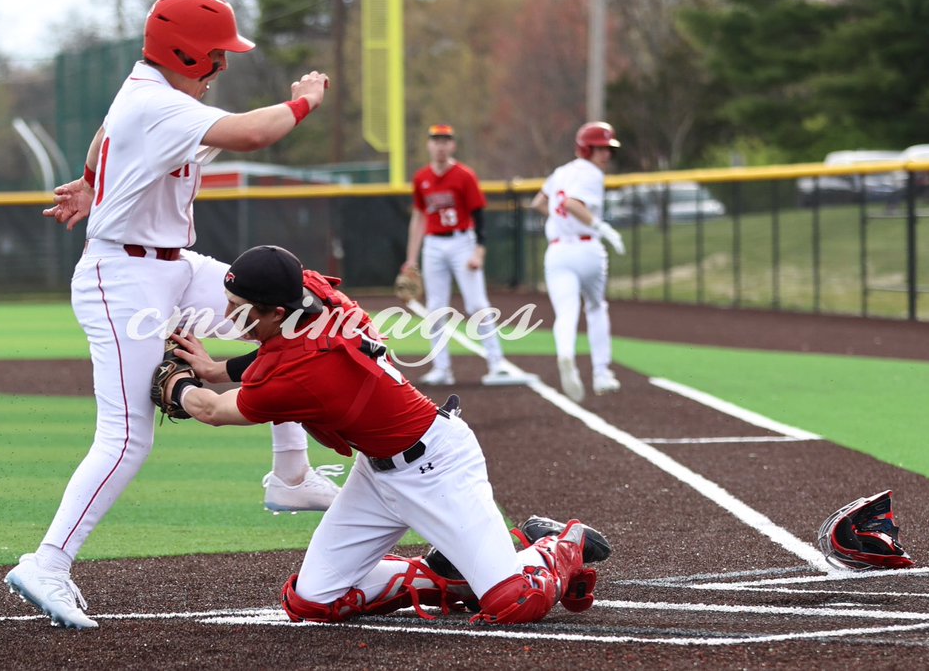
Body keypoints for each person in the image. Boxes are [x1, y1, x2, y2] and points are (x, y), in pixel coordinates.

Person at [5, 0, 339, 630]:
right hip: (122, 278)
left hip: (171, 267)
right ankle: (47, 562)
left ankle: (291, 477)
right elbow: (255, 132)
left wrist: (94, 185)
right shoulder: (159, 103)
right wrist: (307, 98)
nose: (224, 65)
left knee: (288, 316)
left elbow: (103, 143)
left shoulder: (157, 93)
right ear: (189, 53)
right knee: (127, 436)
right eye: (219, 54)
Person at [162, 244, 602, 626]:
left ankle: (554, 546)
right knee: (312, 601)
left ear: (278, 312)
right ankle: (448, 572)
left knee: (515, 603)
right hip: (376, 474)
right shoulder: (315, 295)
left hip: (438, 468)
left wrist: (176, 386)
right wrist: (217, 369)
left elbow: (214, 410)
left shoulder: (307, 375)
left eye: (239, 308)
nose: (226, 314)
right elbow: (278, 350)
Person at [399, 124, 524, 387]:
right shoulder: (422, 177)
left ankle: (496, 363)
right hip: (433, 245)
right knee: (435, 307)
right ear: (429, 145)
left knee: (477, 304)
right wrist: (411, 258)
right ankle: (442, 368)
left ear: (452, 146)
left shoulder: (464, 175)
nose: (440, 145)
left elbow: (479, 216)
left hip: (462, 242)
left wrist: (479, 250)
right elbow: (419, 217)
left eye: (445, 141)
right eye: (436, 140)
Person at [530, 121, 627, 403]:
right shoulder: (592, 174)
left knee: (566, 311)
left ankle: (566, 353)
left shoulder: (561, 172)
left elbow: (538, 202)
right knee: (596, 307)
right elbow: (574, 204)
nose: (605, 154)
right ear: (588, 148)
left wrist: (558, 220)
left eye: (607, 149)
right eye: (600, 148)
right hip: (587, 250)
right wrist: (601, 227)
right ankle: (601, 372)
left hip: (558, 251)